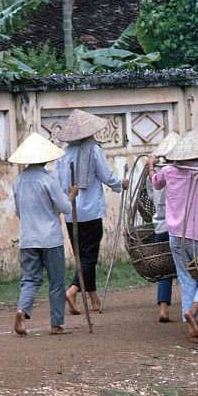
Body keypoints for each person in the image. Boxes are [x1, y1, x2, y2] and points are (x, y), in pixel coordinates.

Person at [149, 130, 198, 343]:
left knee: (186, 277)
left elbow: (155, 182)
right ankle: (196, 309)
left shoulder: (169, 171)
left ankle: (190, 320)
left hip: (176, 234)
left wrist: (151, 166)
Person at [55, 109, 129, 315]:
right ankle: (73, 290)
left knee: (82, 257)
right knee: (89, 257)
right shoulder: (94, 150)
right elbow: (106, 175)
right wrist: (120, 184)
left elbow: (59, 184)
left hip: (70, 211)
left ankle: (93, 297)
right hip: (91, 212)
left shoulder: (62, 153)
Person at [9, 133, 74, 336]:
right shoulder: (49, 180)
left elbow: (19, 211)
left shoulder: (18, 180)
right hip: (50, 238)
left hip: (28, 238)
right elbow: (66, 208)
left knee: (30, 279)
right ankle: (56, 324)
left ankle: (22, 309)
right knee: (56, 281)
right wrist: (72, 194)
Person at [146, 132, 180, 323]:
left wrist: (151, 168)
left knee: (164, 269)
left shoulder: (157, 175)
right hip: (178, 228)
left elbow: (152, 193)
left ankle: (163, 308)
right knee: (186, 267)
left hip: (160, 226)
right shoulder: (178, 174)